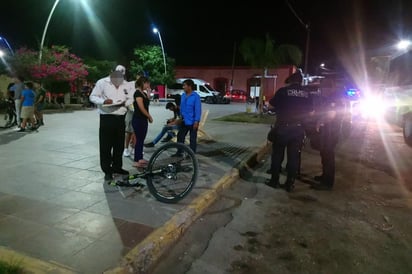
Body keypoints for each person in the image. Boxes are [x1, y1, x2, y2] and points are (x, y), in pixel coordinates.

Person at [265, 70, 313, 192]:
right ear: (301, 81)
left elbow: (271, 106)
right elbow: (311, 112)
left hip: (282, 128)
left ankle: (274, 181)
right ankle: (289, 184)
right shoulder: (307, 94)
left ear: (290, 81)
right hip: (298, 129)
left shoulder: (283, 91)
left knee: (277, 156)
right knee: (293, 158)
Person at [89, 67, 134, 181]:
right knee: (106, 146)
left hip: (120, 118)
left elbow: (130, 98)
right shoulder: (102, 82)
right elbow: (93, 96)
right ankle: (107, 170)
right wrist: (103, 101)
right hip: (107, 118)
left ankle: (117, 167)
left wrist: (125, 102)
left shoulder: (126, 85)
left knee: (119, 145)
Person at [311, 78, 345, 191]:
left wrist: (319, 122)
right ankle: (324, 176)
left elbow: (331, 115)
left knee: (328, 156)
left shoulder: (334, 99)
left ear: (328, 88)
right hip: (328, 132)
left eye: (323, 88)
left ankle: (327, 183)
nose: (321, 90)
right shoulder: (331, 97)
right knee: (324, 155)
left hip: (331, 133)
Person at [175, 79, 202, 154]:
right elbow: (182, 108)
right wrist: (180, 117)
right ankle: (179, 152)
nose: (183, 87)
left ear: (189, 86)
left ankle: (191, 154)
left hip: (193, 121)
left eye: (184, 85)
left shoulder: (195, 96)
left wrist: (196, 121)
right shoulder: (183, 95)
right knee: (180, 137)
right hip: (184, 120)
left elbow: (198, 109)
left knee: (192, 139)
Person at [132, 76, 153, 168]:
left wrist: (148, 92)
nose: (148, 85)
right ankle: (137, 160)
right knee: (139, 140)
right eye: (147, 83)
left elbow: (147, 102)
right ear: (143, 83)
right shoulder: (137, 93)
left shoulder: (143, 93)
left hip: (143, 119)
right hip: (138, 119)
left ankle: (140, 158)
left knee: (141, 139)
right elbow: (141, 108)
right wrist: (149, 116)